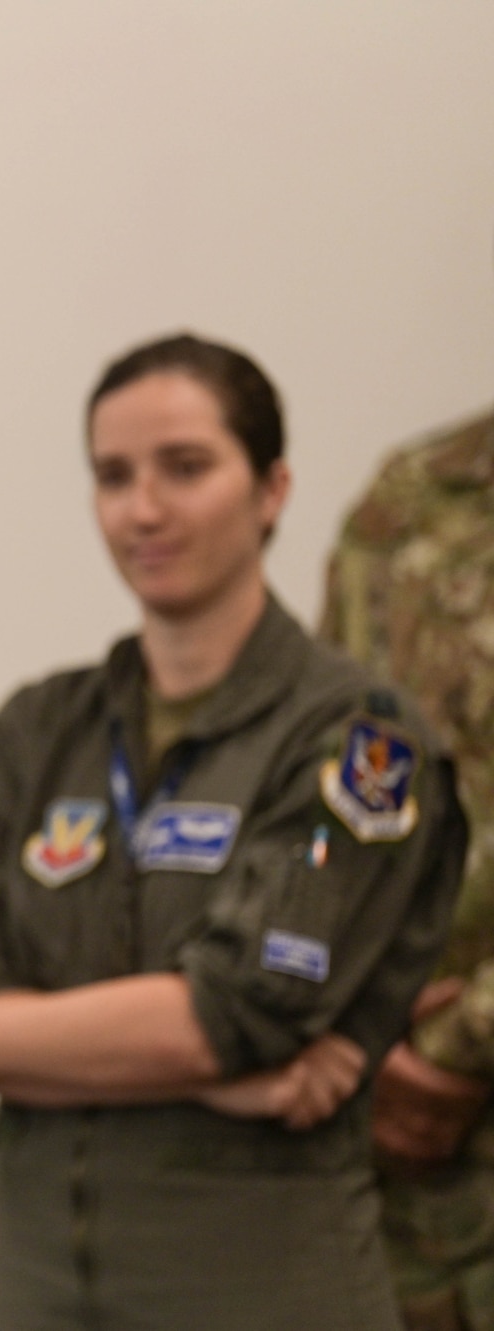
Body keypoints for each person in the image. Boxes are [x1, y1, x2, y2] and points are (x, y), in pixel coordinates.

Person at [0, 332, 468, 1330]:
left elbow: (237, 1006)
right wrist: (209, 1067)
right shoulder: (35, 728)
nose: (143, 508)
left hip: (256, 1286)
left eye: (184, 467)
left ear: (269, 488)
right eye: (112, 475)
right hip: (28, 1285)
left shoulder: (356, 738)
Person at [323, 405, 494, 1331]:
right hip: (402, 1156)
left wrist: (465, 1040)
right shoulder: (416, 497)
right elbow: (343, 787)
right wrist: (356, 1019)